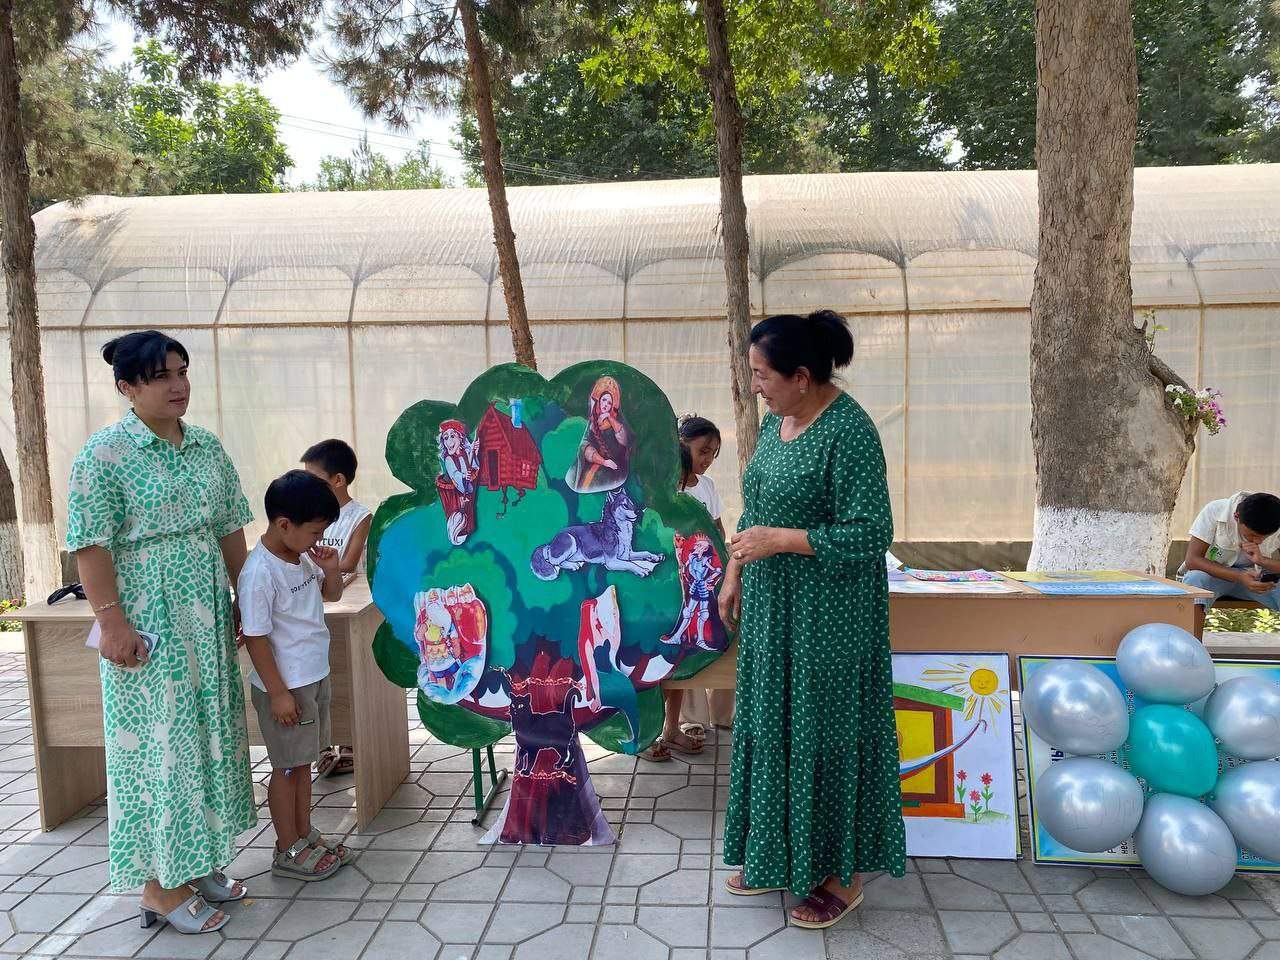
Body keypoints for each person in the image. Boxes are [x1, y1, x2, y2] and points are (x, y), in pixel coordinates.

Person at [718, 309, 905, 930]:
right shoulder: (777, 425)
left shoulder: (849, 430)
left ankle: (841, 876)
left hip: (831, 615)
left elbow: (872, 530)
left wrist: (782, 542)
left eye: (762, 375)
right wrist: (736, 571)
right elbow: (757, 509)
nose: (755, 387)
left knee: (826, 729)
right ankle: (776, 851)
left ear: (802, 376)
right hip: (775, 610)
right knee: (773, 722)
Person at [67, 331, 255, 935]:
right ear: (127, 387)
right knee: (159, 747)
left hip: (205, 613)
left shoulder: (205, 446)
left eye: (182, 371)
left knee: (205, 738)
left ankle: (194, 863)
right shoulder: (104, 455)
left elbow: (230, 529)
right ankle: (157, 886)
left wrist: (244, 600)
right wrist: (112, 624)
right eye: (160, 376)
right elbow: (88, 545)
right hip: (149, 620)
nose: (178, 385)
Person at [239, 470, 352, 882]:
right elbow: (255, 639)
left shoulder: (300, 555)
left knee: (303, 764)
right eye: (314, 531)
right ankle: (286, 847)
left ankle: (303, 834)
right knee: (287, 768)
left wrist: (332, 567)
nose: (318, 540)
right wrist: (279, 694)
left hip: (312, 677)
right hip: (286, 688)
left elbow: (332, 594)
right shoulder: (259, 573)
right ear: (284, 524)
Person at [643, 416, 731, 762]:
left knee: (684, 656)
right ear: (680, 445)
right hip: (662, 589)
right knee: (654, 663)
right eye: (702, 450)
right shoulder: (662, 487)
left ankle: (671, 730)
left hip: (695, 586)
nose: (707, 458)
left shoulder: (705, 487)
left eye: (713, 453)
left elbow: (718, 532)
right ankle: (645, 736)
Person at [301, 439, 372, 779]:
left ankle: (349, 743)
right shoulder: (306, 514)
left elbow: (348, 563)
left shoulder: (359, 517)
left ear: (339, 480)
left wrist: (320, 570)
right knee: (322, 672)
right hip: (320, 603)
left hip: (348, 603)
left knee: (343, 670)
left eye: (315, 478)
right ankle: (327, 744)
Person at [1182, 491, 1280, 634]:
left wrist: (1263, 560)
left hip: (1258, 580)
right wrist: (1239, 576)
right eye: (1252, 535)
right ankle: (1194, 650)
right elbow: (1192, 560)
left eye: (1264, 538)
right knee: (1195, 580)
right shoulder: (1215, 511)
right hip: (1215, 577)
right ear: (1236, 516)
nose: (1258, 541)